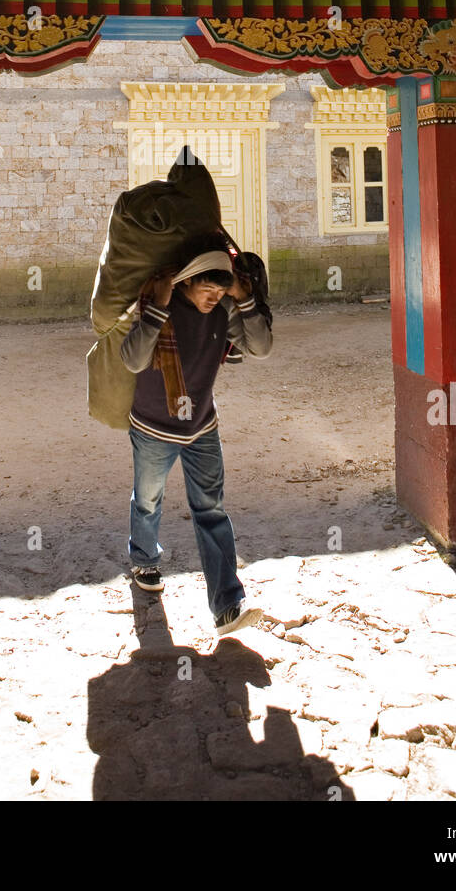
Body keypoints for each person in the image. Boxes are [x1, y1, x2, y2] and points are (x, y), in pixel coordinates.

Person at [119, 230, 272, 638]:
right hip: (153, 428)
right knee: (148, 500)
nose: (212, 298)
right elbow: (133, 359)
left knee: (211, 510)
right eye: (207, 288)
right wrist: (158, 306)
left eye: (220, 292)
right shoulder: (158, 306)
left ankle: (227, 605)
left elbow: (260, 347)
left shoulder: (224, 310)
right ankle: (144, 557)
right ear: (185, 280)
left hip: (202, 425)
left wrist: (244, 297)